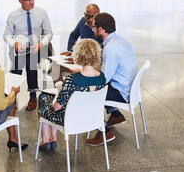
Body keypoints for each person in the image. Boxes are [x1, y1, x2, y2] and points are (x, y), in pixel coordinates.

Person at [37, 39, 106, 151]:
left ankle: (46, 139)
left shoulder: (72, 80)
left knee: (43, 98)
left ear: (78, 55)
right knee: (52, 99)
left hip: (71, 119)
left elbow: (56, 107)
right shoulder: (101, 77)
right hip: (91, 118)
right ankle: (52, 138)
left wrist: (59, 89)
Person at [85, 12, 138, 146]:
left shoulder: (111, 48)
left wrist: (84, 74)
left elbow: (103, 79)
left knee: (85, 93)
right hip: (128, 88)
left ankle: (105, 131)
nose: (93, 29)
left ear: (101, 29)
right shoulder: (119, 41)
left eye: (95, 27)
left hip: (121, 93)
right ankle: (115, 115)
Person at [4, 0, 53, 111]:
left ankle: (32, 96)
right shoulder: (13, 15)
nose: (31, 2)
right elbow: (6, 35)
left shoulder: (41, 13)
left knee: (31, 68)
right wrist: (14, 43)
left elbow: (49, 33)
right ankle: (12, 97)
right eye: (27, 0)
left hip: (35, 48)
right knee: (15, 72)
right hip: (19, 49)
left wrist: (40, 44)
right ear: (20, 0)